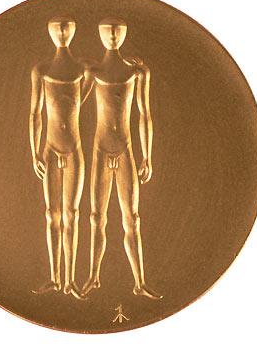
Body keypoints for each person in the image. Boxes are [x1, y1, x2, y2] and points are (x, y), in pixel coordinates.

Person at [81, 18, 162, 299]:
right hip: (101, 148)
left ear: (124, 35)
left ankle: (139, 282)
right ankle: (93, 277)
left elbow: (145, 114)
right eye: (108, 32)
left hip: (125, 148)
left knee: (132, 218)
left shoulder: (137, 72)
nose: (113, 36)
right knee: (96, 216)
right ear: (100, 35)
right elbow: (73, 103)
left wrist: (147, 156)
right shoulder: (94, 71)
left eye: (118, 32)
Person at [29, 16, 87, 300]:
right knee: (52, 214)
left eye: (66, 29)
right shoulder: (41, 70)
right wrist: (35, 152)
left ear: (72, 33)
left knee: (71, 214)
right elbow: (35, 114)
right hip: (50, 148)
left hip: (74, 147)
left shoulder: (83, 68)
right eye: (57, 30)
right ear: (51, 34)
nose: (62, 33)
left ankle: (70, 280)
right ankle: (55, 278)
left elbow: (94, 85)